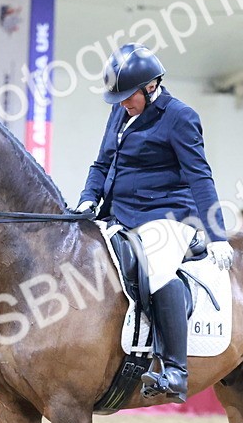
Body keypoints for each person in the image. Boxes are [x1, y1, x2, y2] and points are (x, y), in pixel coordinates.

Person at [77, 43, 232, 403]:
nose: (122, 104)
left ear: (150, 87)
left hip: (166, 216)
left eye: (128, 96)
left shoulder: (180, 117)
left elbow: (200, 177)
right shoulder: (120, 112)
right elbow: (102, 164)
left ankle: (175, 370)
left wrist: (217, 234)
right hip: (117, 213)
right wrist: (88, 197)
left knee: (160, 271)